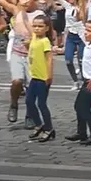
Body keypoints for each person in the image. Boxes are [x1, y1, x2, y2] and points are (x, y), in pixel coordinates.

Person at [22, 14, 56, 142]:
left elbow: (49, 59)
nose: (37, 29)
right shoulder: (34, 38)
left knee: (41, 104)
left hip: (42, 77)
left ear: (47, 28)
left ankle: (49, 128)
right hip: (34, 76)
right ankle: (38, 124)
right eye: (35, 26)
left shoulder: (45, 41)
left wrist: (49, 75)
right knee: (29, 101)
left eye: (40, 26)